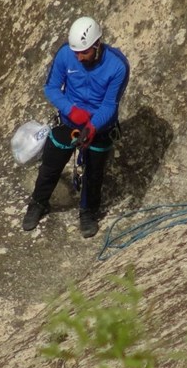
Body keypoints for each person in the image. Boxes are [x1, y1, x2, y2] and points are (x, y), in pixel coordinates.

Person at [21, 16, 130, 238]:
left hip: (99, 125)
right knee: (51, 165)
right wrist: (72, 111)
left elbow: (110, 104)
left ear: (97, 45)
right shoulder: (65, 54)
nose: (79, 57)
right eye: (76, 52)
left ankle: (88, 211)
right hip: (69, 120)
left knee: (94, 171)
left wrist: (92, 126)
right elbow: (51, 88)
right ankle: (38, 203)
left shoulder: (117, 66)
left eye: (85, 52)